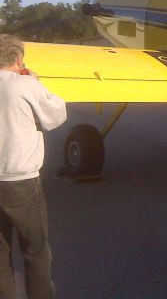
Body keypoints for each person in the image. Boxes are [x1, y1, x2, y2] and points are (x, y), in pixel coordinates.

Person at [0, 34, 67, 299]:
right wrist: (35, 83)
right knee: (36, 252)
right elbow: (56, 115)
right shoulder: (25, 85)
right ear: (19, 58)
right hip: (21, 180)